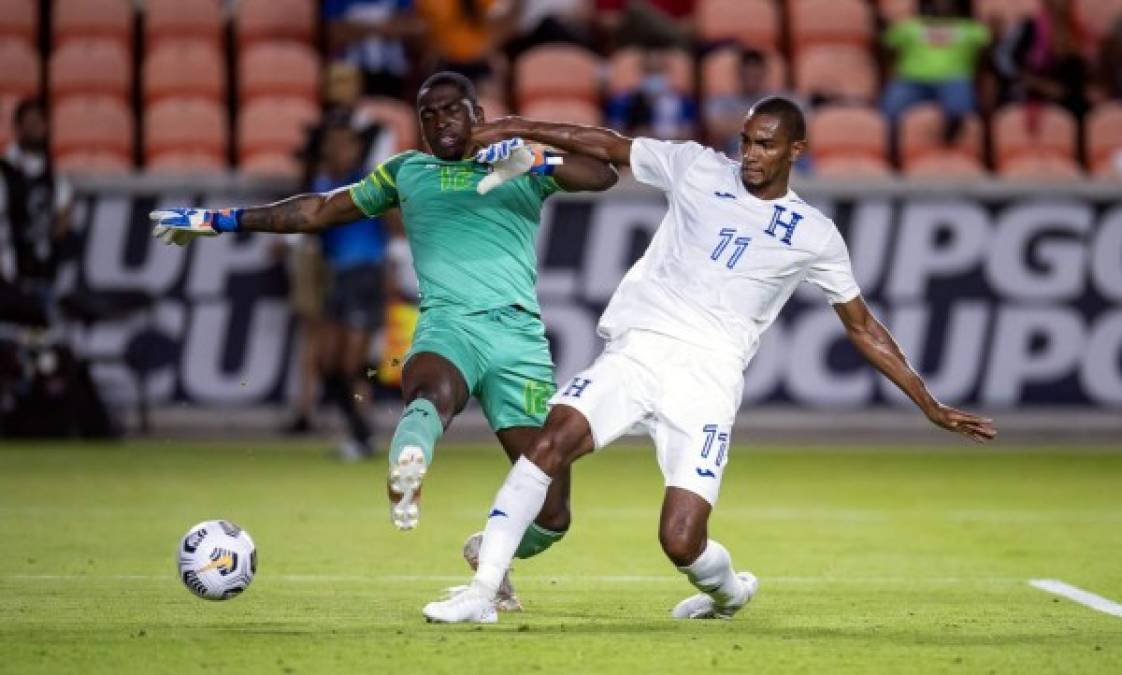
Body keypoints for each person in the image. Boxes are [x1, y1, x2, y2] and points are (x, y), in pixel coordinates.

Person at [420, 97, 998, 624]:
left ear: (796, 151)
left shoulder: (815, 235)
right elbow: (601, 142)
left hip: (708, 380)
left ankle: (730, 594)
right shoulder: (696, 167)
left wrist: (930, 403)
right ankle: (482, 588)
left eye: (766, 145)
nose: (750, 155)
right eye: (746, 140)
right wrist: (515, 126)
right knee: (552, 441)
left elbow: (863, 327)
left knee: (680, 539)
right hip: (639, 349)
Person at [150, 71, 618, 609]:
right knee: (428, 396)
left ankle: (488, 548)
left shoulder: (518, 163)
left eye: (452, 110)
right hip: (450, 325)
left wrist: (540, 158)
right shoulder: (407, 173)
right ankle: (410, 459)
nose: (440, 121)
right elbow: (321, 209)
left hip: (520, 341)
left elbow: (602, 175)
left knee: (553, 515)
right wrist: (219, 220)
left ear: (478, 117)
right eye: (428, 114)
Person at [880, 0, 990, 139]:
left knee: (960, 108)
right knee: (889, 109)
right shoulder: (909, 26)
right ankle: (892, 147)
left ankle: (949, 138)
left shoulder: (972, 29)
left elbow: (990, 51)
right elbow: (886, 45)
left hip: (953, 79)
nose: (942, 5)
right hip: (911, 79)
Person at [606, 47, 698, 140]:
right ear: (641, 75)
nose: (654, 78)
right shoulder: (624, 101)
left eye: (658, 72)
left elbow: (689, 131)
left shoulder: (682, 101)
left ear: (667, 75)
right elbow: (616, 130)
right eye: (649, 72)